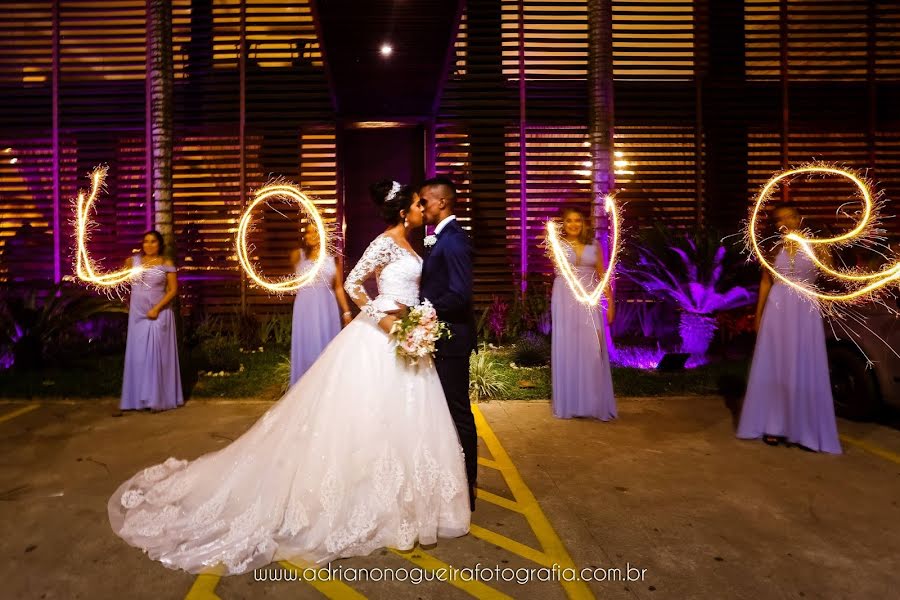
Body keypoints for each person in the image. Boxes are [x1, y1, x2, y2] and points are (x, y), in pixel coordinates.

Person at [108, 179, 470, 575]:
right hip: (382, 337)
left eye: (424, 203)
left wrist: (416, 323)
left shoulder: (415, 246)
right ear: (405, 211)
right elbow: (352, 284)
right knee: (365, 420)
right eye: (418, 204)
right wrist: (384, 319)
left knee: (406, 422)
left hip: (408, 340)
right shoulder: (383, 242)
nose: (423, 209)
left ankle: (403, 501)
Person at [736, 203, 841, 453]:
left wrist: (820, 248)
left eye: (790, 218)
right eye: (779, 220)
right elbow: (765, 282)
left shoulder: (816, 245)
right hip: (778, 308)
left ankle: (804, 428)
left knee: (804, 363)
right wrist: (758, 315)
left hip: (805, 309)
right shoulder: (773, 249)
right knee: (776, 365)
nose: (785, 223)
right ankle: (774, 424)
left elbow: (832, 272)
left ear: (798, 218)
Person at [418, 176, 478, 511]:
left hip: (451, 340)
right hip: (440, 337)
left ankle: (467, 487)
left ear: (442, 202)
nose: (421, 207)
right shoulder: (441, 238)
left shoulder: (454, 241)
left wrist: (423, 310)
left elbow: (460, 294)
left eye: (424, 200)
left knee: (458, 414)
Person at [550, 207, 616, 420]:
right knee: (569, 346)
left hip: (589, 297)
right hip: (564, 297)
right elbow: (562, 272)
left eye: (577, 220)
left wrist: (611, 303)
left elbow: (602, 275)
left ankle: (593, 403)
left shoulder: (594, 246)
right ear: (563, 224)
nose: (573, 224)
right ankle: (570, 403)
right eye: (568, 221)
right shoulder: (557, 246)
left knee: (593, 348)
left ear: (584, 223)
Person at [119, 230, 183, 412]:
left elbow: (173, 290)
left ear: (159, 244)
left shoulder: (166, 263)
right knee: (139, 356)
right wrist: (126, 303)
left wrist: (157, 308)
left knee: (156, 356)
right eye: (146, 241)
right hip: (137, 314)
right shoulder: (132, 262)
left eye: (153, 241)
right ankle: (139, 399)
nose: (149, 245)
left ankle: (157, 399)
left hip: (159, 313)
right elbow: (122, 283)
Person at [288, 223, 352, 385]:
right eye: (308, 232)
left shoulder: (332, 259)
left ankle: (325, 387)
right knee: (307, 345)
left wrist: (346, 312)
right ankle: (303, 386)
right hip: (305, 307)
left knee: (326, 346)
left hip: (326, 307)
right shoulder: (297, 255)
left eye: (315, 232)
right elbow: (291, 282)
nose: (311, 235)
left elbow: (338, 287)